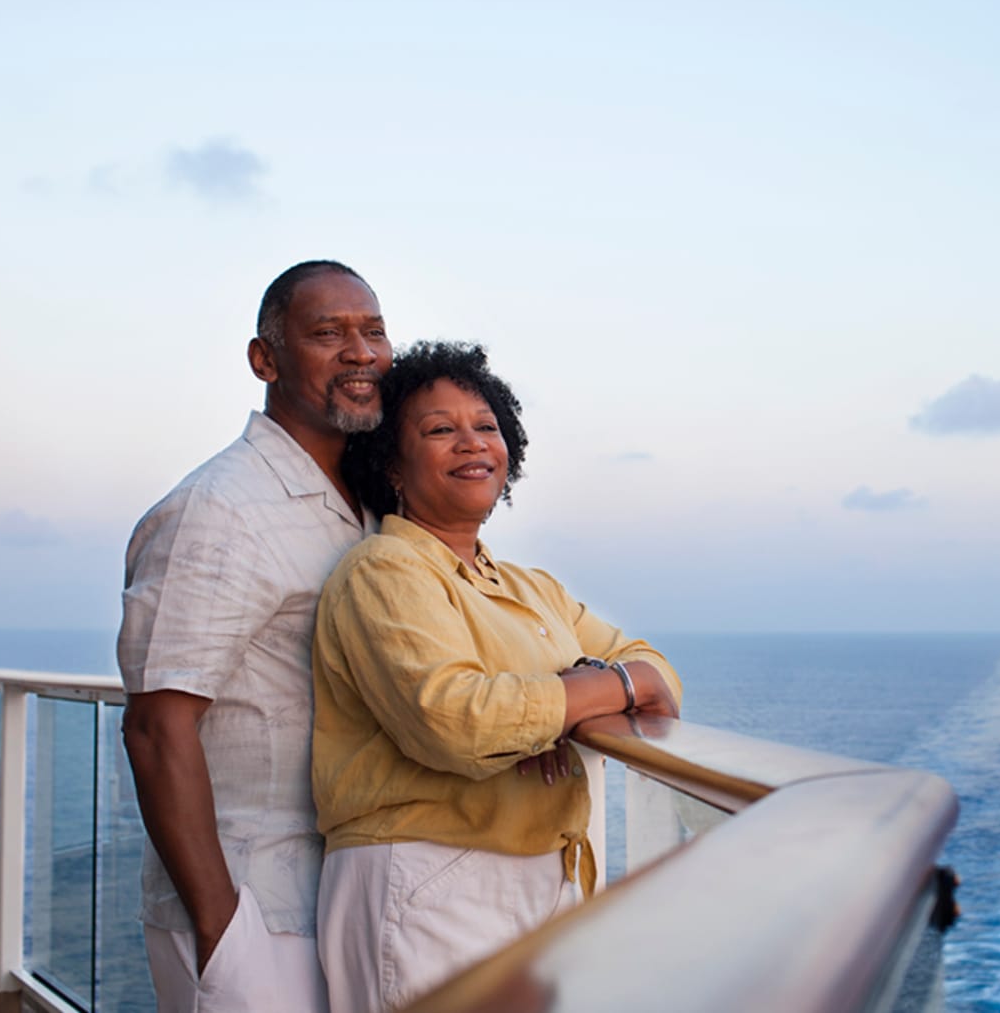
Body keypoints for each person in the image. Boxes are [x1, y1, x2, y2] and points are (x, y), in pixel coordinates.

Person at [312, 341, 682, 1013]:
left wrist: (558, 707)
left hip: (543, 875)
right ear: (392, 463)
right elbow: (458, 720)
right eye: (439, 429)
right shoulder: (383, 571)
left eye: (485, 425)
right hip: (428, 879)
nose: (471, 443)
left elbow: (657, 669)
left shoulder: (528, 587)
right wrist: (598, 689)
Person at [117, 259, 392, 1013]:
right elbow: (154, 727)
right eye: (327, 333)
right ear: (264, 359)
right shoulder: (219, 508)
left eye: (373, 330)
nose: (360, 351)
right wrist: (220, 926)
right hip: (249, 909)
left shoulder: (369, 508)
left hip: (332, 900)